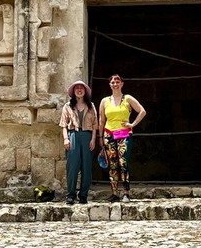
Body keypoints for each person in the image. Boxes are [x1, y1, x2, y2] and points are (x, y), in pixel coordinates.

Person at [99, 74, 146, 202]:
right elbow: (101, 120)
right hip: (109, 133)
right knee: (112, 164)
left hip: (124, 133)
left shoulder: (127, 98)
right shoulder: (104, 101)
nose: (115, 84)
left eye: (117, 82)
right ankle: (115, 193)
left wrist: (133, 124)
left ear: (122, 84)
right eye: (113, 82)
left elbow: (142, 111)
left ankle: (126, 192)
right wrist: (100, 136)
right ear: (109, 85)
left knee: (123, 162)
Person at [59, 80, 99, 205]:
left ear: (85, 91)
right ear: (74, 91)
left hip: (87, 136)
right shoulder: (68, 106)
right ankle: (70, 195)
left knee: (87, 167)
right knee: (72, 166)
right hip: (73, 135)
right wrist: (66, 139)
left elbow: (94, 125)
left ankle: (83, 195)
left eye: (82, 88)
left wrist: (93, 139)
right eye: (77, 88)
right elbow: (64, 124)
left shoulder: (91, 106)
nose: (79, 90)